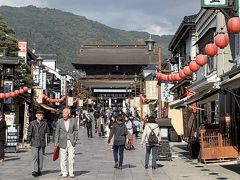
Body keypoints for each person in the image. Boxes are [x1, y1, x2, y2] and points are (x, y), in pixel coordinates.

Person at [55, 108, 78, 178]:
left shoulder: (74, 120)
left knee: (71, 157)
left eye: (65, 113)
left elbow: (76, 130)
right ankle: (64, 172)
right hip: (62, 141)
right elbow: (57, 133)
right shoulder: (59, 121)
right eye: (63, 113)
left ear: (69, 114)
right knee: (63, 158)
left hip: (71, 141)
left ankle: (71, 172)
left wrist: (75, 139)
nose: (64, 115)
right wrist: (56, 142)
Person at [27, 110, 49, 177]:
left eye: (42, 115)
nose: (41, 116)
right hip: (34, 142)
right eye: (39, 115)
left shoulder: (45, 124)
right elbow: (29, 133)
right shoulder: (32, 123)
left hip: (42, 143)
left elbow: (47, 132)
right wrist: (28, 142)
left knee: (41, 158)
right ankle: (35, 170)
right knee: (35, 157)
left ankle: (39, 170)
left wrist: (47, 140)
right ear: (36, 116)